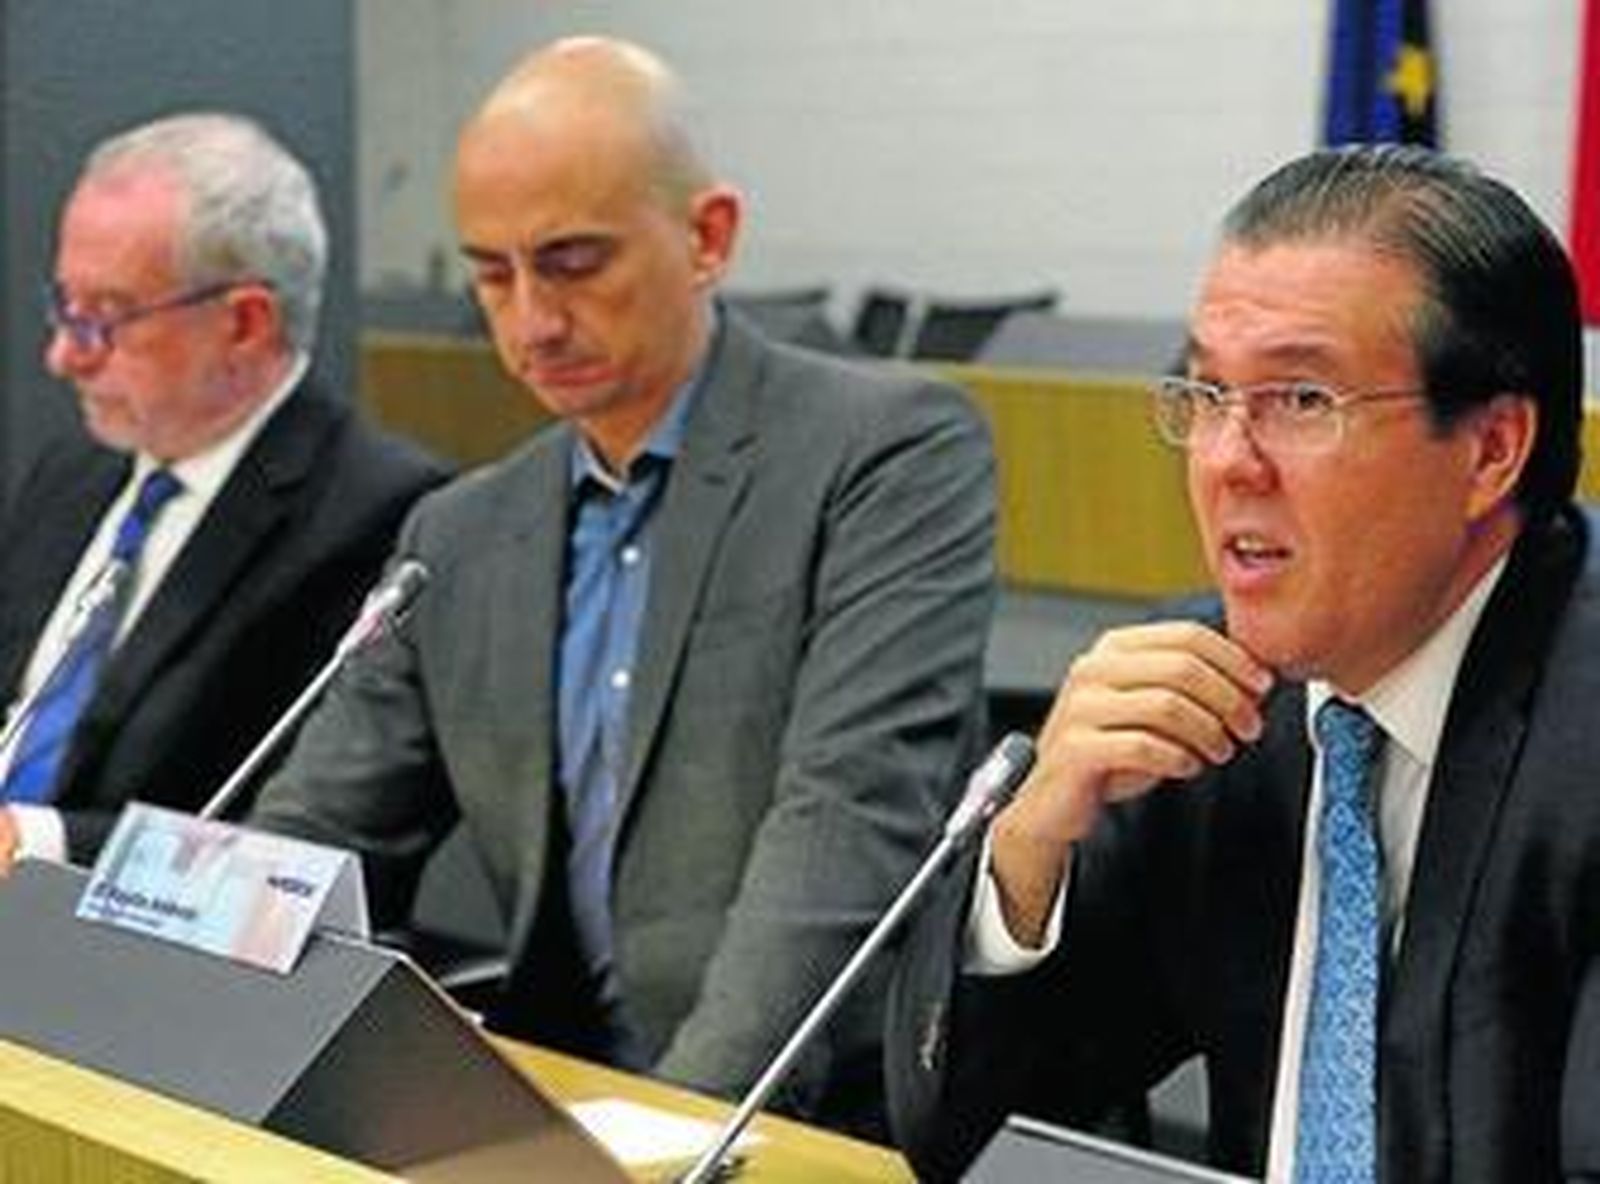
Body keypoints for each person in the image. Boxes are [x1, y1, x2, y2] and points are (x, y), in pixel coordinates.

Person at [249, 35, 996, 1131]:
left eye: (572, 262)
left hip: (807, 1111)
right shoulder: (457, 534)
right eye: (490, 274)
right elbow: (313, 829)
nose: (528, 321)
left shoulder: (885, 453)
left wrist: (687, 1130)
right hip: (554, 1099)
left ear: (708, 236)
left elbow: (843, 819)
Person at [886, 143, 1600, 1181]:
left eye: (1301, 400)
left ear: (1490, 449)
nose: (1226, 459)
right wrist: (1030, 843)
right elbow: (962, 1134)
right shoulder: (1210, 696)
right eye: (1206, 393)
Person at [0, 113, 447, 871]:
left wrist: (32, 843)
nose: (63, 355)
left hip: (126, 959)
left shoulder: (384, 516)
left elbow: (290, 851)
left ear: (244, 323)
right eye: (63, 307)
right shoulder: (73, 475)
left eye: (103, 318)